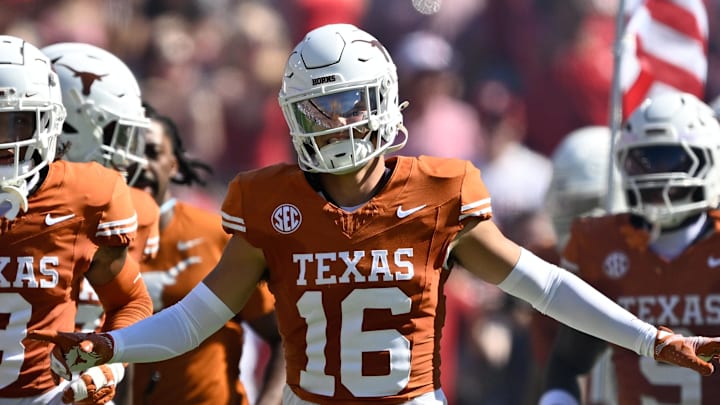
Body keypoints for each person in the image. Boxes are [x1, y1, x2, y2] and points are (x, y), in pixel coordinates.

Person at [28, 24, 720, 405]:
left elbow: (541, 284)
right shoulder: (270, 198)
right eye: (317, 109)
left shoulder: (438, 190)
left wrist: (646, 337)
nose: (334, 123)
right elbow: (198, 318)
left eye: (349, 102)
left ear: (384, 101)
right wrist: (111, 344)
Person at [538, 92, 720, 405]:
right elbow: (568, 361)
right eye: (643, 162)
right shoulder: (603, 245)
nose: (656, 178)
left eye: (671, 160)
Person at [0, 35, 152, 404]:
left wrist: (108, 363)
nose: (3, 142)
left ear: (50, 123)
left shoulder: (86, 195)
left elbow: (131, 303)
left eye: (15, 124)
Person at [129, 104, 285, 404]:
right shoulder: (92, 240)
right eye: (132, 154)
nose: (142, 165)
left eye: (152, 152)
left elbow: (283, 335)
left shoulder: (215, 234)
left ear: (174, 165)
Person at [40, 42, 161, 404]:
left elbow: (131, 313)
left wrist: (112, 368)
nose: (129, 154)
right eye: (115, 135)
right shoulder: (17, 209)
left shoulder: (135, 209)